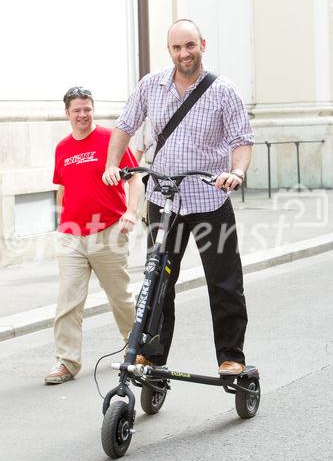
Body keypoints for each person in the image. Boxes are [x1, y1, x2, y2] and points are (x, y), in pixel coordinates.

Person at [102, 19, 254, 376]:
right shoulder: (151, 85)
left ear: (202, 43)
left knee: (224, 282)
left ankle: (231, 357)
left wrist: (237, 172)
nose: (184, 54)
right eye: (177, 48)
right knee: (158, 280)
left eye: (190, 46)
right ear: (169, 50)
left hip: (210, 200)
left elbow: (241, 140)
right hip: (163, 201)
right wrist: (112, 165)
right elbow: (124, 125)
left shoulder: (223, 90)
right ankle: (152, 356)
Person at [44, 86, 142, 384]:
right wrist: (62, 222)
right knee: (68, 301)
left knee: (121, 298)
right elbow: (63, 187)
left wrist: (132, 212)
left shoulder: (110, 140)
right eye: (77, 110)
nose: (83, 114)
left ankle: (138, 352)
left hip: (109, 231)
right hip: (72, 235)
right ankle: (67, 362)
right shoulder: (62, 148)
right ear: (67, 113)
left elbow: (135, 177)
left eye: (87, 108)